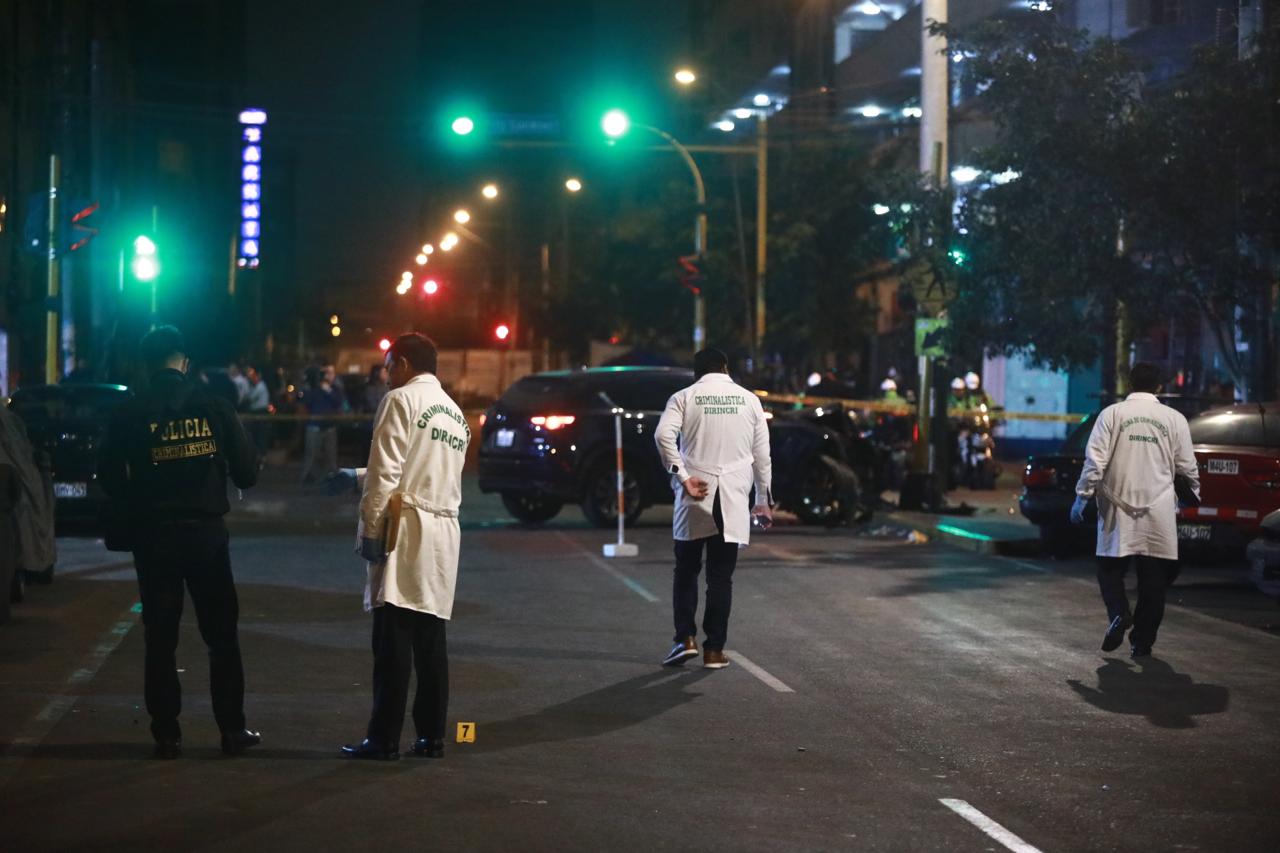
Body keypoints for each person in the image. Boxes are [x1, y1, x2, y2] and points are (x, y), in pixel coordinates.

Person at [97, 326, 261, 758]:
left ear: (145, 364)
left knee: (160, 637)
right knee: (221, 636)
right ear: (185, 361)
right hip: (206, 536)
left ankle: (166, 733)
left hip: (154, 538)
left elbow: (110, 478)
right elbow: (247, 473)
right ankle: (232, 730)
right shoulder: (214, 406)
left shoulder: (129, 412)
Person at [337, 333, 468, 760]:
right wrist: (356, 473)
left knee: (392, 639)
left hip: (406, 527)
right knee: (431, 641)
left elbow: (387, 473)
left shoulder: (399, 402)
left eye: (390, 363)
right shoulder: (454, 413)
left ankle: (383, 738)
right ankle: (432, 736)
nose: (387, 372)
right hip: (444, 531)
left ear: (407, 365)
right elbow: (428, 468)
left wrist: (371, 530)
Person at [1071, 362, 1199, 658]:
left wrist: (1082, 498)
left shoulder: (1112, 415)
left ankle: (1119, 613)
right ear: (1159, 387)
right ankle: (1142, 641)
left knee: (1109, 568)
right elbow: (1187, 468)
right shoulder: (1174, 419)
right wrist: (1188, 500)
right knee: (1153, 580)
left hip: (1118, 506)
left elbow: (1095, 462)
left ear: (1130, 384)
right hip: (1159, 509)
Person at [654, 348, 772, 669]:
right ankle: (714, 651)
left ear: (697, 373)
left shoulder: (684, 397)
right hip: (733, 497)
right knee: (720, 577)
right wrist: (762, 500)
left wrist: (682, 475)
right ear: (725, 367)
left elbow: (663, 435)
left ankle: (684, 639)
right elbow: (762, 455)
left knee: (687, 571)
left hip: (696, 492)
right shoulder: (749, 400)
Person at [297, 364, 344, 483]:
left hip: (330, 427)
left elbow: (338, 402)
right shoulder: (312, 388)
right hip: (314, 426)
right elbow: (304, 402)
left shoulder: (335, 388)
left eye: (330, 373)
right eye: (325, 373)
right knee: (311, 455)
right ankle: (307, 477)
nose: (327, 376)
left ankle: (331, 477)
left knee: (330, 456)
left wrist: (327, 389)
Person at [241, 366, 272, 456]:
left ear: (258, 376)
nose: (252, 377)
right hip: (256, 412)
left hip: (260, 412)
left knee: (260, 434)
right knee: (255, 434)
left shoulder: (261, 386)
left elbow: (250, 398)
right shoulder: (255, 386)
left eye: (254, 375)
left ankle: (262, 455)